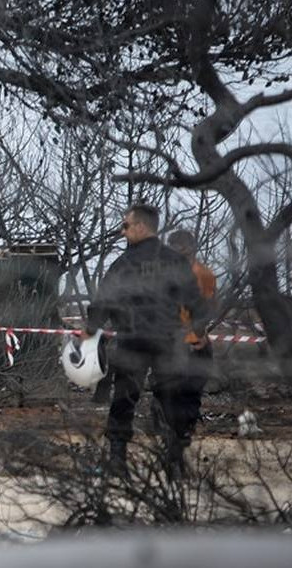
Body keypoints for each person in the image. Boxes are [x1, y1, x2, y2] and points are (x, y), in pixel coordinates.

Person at [84, 205, 209, 479]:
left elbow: (104, 299)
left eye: (126, 226)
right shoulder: (174, 261)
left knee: (124, 400)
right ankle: (174, 463)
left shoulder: (124, 263)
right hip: (168, 341)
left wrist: (90, 329)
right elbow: (194, 300)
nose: (123, 230)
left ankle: (117, 461)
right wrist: (198, 330)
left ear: (142, 226)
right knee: (171, 400)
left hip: (132, 340)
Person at [167, 229, 217, 443]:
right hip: (175, 341)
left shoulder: (202, 275)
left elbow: (207, 307)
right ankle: (179, 430)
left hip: (190, 340)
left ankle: (182, 429)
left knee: (189, 388)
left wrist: (200, 333)